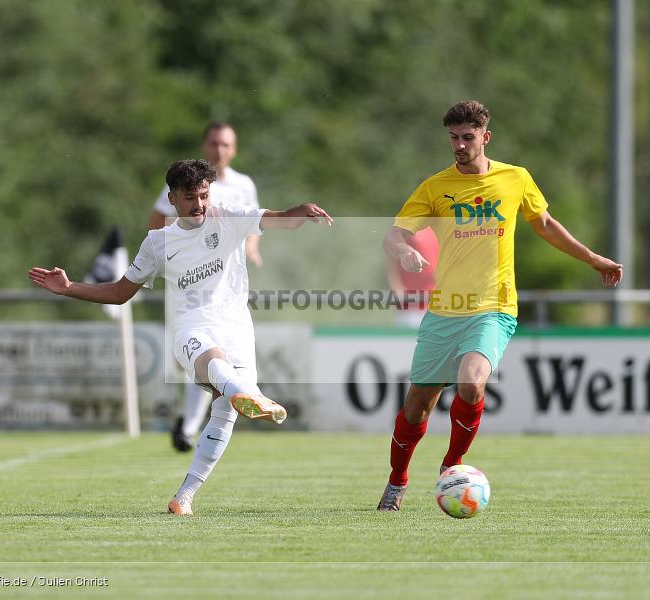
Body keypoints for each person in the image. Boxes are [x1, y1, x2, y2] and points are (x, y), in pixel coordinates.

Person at [29, 159, 332, 516]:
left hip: (237, 326)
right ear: (171, 199)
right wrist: (69, 288)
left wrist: (299, 211)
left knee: (224, 416)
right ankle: (248, 395)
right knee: (216, 364)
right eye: (190, 197)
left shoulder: (229, 217)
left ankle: (183, 497)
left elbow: (277, 218)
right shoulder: (158, 242)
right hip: (192, 327)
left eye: (204, 195)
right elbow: (120, 292)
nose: (199, 204)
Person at [377, 100, 623, 511]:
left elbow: (545, 225)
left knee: (472, 382)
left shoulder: (515, 179)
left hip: (494, 307)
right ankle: (396, 480)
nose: (459, 145)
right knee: (417, 406)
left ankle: (452, 467)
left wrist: (593, 258)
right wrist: (402, 252)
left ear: (485, 137)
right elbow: (393, 235)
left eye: (467, 137)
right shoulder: (435, 187)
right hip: (444, 310)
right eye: (453, 137)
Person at [147, 122, 262, 453]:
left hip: (228, 282)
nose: (219, 150)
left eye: (226, 145)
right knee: (200, 354)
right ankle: (191, 424)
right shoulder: (187, 183)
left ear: (234, 149)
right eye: (214, 143)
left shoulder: (243, 185)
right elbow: (156, 221)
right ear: (204, 145)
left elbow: (252, 221)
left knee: (217, 356)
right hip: (190, 282)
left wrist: (252, 247)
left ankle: (189, 426)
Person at [385, 226, 439, 328]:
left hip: (434, 303)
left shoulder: (438, 230)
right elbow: (391, 264)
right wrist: (397, 287)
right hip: (409, 304)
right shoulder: (404, 228)